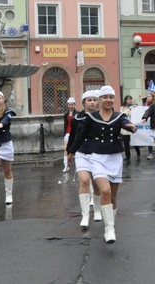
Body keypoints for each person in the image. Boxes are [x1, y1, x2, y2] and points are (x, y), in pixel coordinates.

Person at [68, 86, 138, 243]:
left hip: (114, 158)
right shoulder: (91, 117)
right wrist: (71, 152)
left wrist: (131, 127)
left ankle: (109, 222)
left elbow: (126, 122)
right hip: (97, 158)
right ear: (100, 99)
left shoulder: (119, 116)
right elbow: (80, 136)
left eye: (111, 97)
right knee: (104, 190)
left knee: (112, 196)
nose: (108, 100)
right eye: (105, 97)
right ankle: (109, 229)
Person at [66, 91, 103, 227]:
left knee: (96, 183)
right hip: (82, 152)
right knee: (84, 180)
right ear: (83, 102)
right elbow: (73, 136)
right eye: (89, 100)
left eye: (94, 100)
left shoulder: (100, 116)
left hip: (97, 153)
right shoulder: (77, 117)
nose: (92, 102)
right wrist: (70, 152)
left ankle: (98, 210)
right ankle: (85, 215)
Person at [120, 95, 136, 163]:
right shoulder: (122, 108)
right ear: (126, 100)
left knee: (134, 142)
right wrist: (128, 109)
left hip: (132, 126)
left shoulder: (133, 107)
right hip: (125, 127)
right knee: (126, 143)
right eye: (129, 99)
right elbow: (122, 114)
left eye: (131, 99)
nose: (130, 101)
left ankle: (138, 152)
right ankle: (127, 156)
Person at [62, 97, 76, 172]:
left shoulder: (77, 113)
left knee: (77, 150)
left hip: (74, 133)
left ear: (74, 105)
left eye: (72, 105)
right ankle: (66, 165)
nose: (70, 106)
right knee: (66, 149)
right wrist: (64, 134)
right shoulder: (66, 114)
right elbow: (65, 125)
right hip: (67, 133)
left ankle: (79, 166)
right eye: (69, 105)